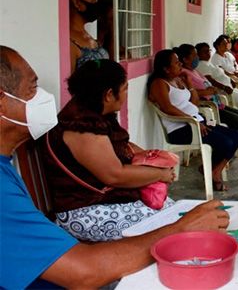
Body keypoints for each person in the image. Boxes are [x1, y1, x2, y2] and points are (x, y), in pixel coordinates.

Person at [0, 46, 229, 288]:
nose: (44, 98)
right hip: (87, 218)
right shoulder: (80, 126)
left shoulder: (7, 165)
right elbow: (83, 272)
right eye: (33, 89)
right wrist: (181, 230)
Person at [45, 59, 176, 241]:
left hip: (106, 200)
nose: (126, 94)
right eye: (125, 89)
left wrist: (154, 160)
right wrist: (159, 175)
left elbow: (123, 145)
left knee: (174, 213)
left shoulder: (94, 112)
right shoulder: (82, 128)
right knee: (171, 225)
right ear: (108, 95)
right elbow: (114, 175)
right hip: (84, 212)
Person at [148, 49, 238, 191]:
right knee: (226, 143)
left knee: (236, 136)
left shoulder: (178, 80)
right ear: (166, 69)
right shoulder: (159, 83)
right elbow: (167, 108)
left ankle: (211, 170)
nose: (180, 64)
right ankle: (214, 174)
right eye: (176, 62)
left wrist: (190, 84)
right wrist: (193, 120)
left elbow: (194, 103)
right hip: (181, 129)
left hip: (197, 123)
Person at [175, 44, 238, 133]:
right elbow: (188, 92)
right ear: (185, 59)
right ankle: (226, 134)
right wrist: (207, 91)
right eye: (194, 55)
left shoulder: (193, 70)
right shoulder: (184, 74)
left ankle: (232, 135)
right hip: (206, 105)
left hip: (216, 102)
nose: (197, 57)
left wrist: (211, 88)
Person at [195, 42, 238, 114]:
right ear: (198, 54)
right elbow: (210, 80)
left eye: (208, 50)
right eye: (204, 51)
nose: (208, 53)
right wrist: (224, 87)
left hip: (228, 86)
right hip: (223, 91)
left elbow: (222, 73)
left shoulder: (208, 62)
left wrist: (230, 80)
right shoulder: (201, 65)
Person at [69, 0, 109, 72]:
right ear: (77, 2)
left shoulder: (86, 35)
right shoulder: (70, 41)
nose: (96, 6)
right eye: (93, 1)